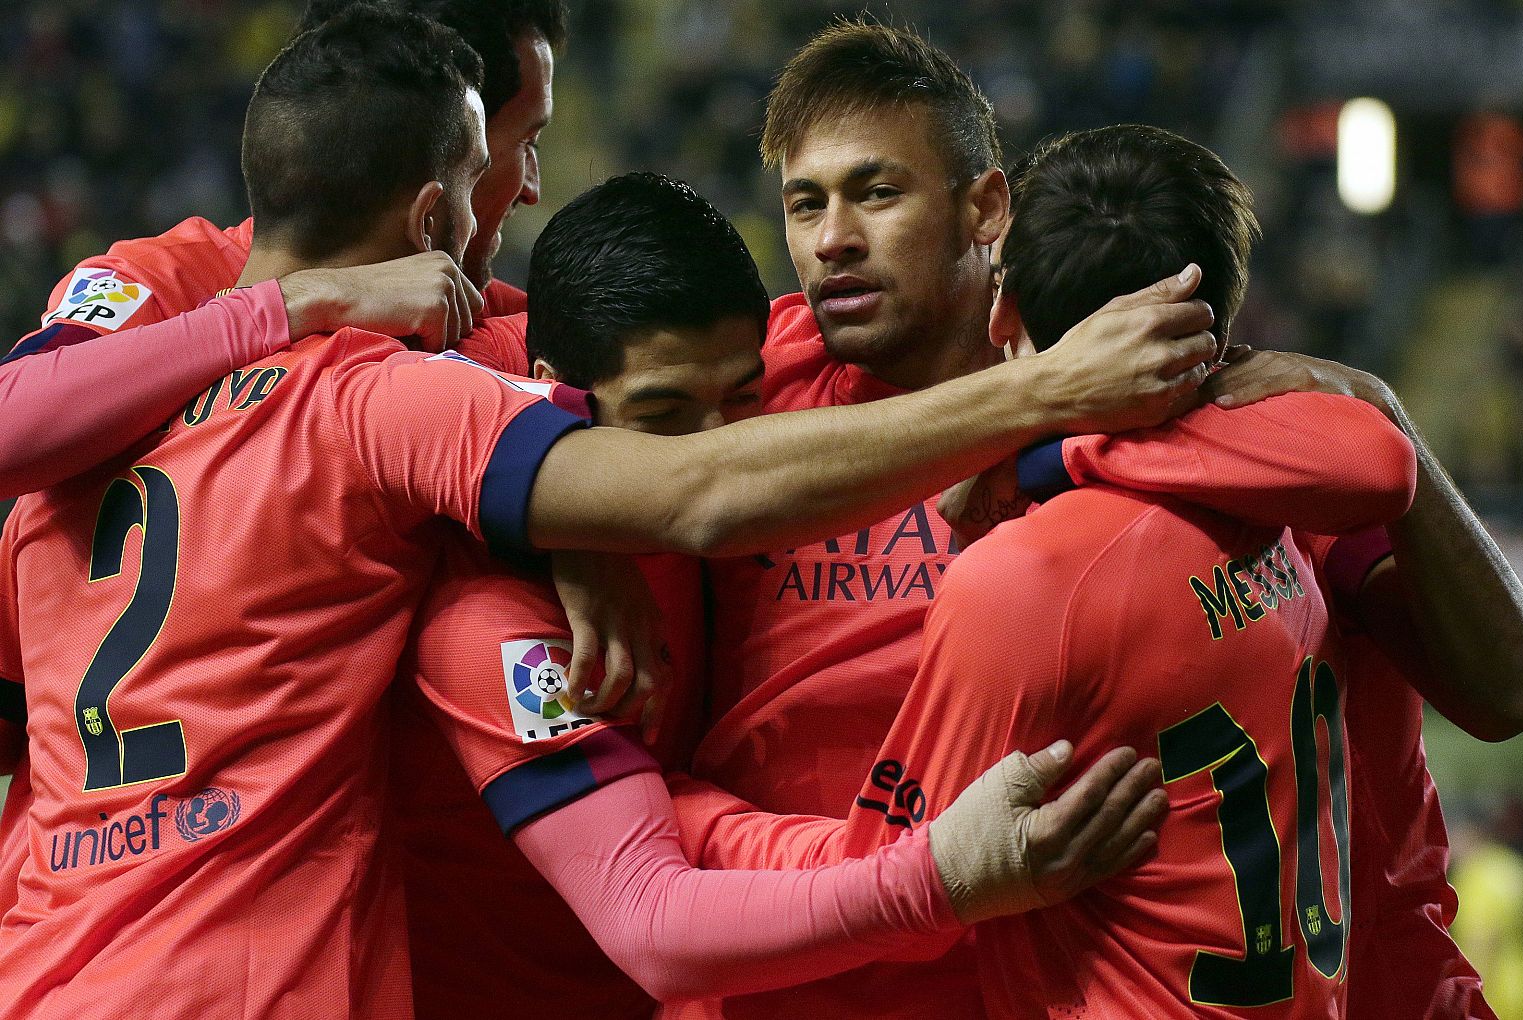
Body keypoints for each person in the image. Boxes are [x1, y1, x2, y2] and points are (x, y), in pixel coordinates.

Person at [0, 12, 1204, 1016]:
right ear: (433, 212)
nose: (524, 185)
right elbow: (695, 503)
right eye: (513, 154)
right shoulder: (386, 409)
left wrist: (561, 513)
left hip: (50, 968)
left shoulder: (91, 449)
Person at [681, 20, 1450, 1020]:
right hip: (776, 984)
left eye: (876, 192)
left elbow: (1480, 650)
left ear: (985, 208)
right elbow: (584, 430)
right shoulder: (739, 371)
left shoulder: (1139, 474)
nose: (832, 237)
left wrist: (678, 826)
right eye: (802, 203)